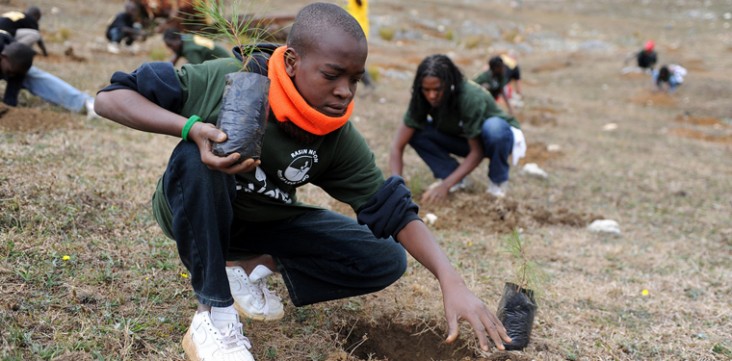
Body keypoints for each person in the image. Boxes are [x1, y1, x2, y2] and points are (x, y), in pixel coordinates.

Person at [95, 3, 511, 361]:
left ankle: (246, 267)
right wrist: (189, 128)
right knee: (195, 157)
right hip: (195, 207)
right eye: (332, 75)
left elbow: (395, 212)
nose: (345, 91)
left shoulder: (334, 136)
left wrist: (450, 280)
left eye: (354, 78)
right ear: (291, 62)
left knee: (385, 258)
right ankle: (214, 316)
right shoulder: (228, 79)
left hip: (264, 225)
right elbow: (110, 97)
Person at [390, 54, 525, 201]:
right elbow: (397, 145)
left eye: (437, 89)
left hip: (497, 138)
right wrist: (396, 187)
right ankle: (454, 176)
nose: (431, 96)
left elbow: (477, 151)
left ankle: (497, 183)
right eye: (426, 90)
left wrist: (445, 186)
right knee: (415, 132)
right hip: (464, 137)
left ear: (449, 84)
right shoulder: (421, 98)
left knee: (494, 128)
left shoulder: (469, 96)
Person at [1, 31, 97, 117]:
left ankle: (86, 102)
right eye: (10, 72)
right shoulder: (9, 61)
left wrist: (8, 106)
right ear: (3, 57)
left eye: (14, 73)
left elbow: (10, 99)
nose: (10, 75)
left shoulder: (15, 58)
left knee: (34, 77)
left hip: (10, 60)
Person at [163, 28, 231, 66]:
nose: (171, 49)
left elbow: (198, 70)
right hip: (226, 58)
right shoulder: (187, 37)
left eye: (171, 45)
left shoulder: (190, 50)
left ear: (177, 39)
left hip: (225, 63)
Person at [345, 0, 374, 89]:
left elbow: (359, 3)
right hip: (353, 30)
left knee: (353, 60)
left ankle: (368, 83)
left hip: (358, 31)